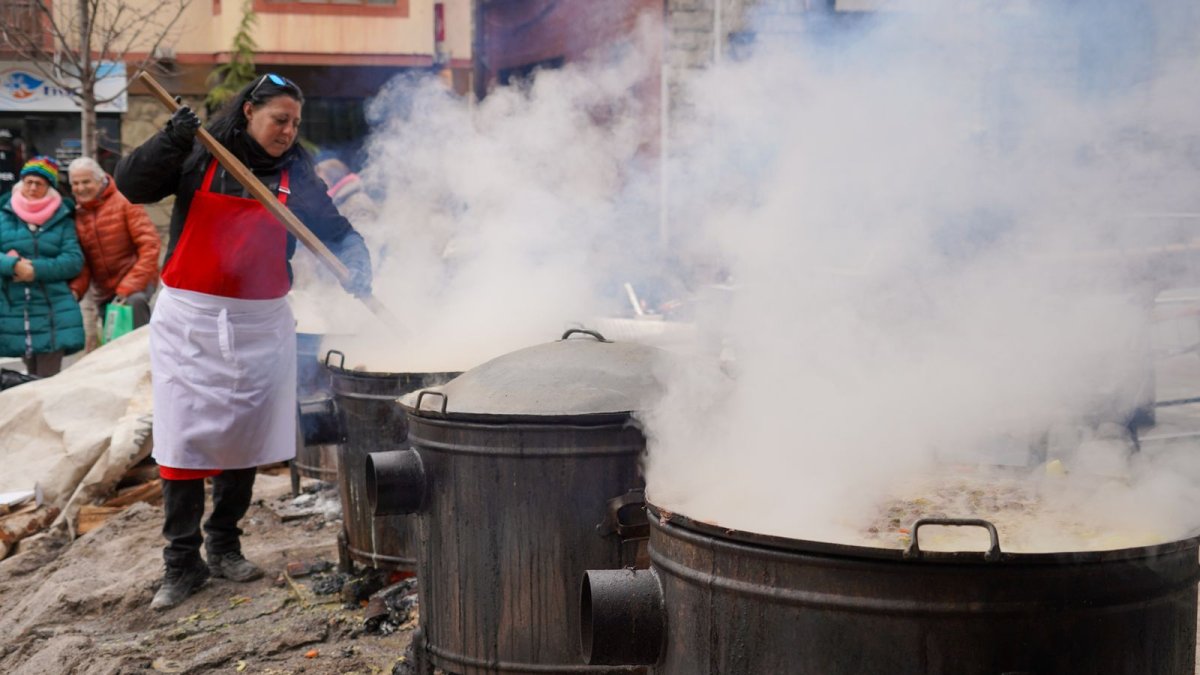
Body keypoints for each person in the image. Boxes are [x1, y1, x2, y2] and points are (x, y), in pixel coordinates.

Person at [116, 73, 373, 611]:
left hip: (260, 323)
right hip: (192, 320)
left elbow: (334, 227)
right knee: (183, 442)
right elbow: (133, 185)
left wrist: (357, 260)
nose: (288, 131)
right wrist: (170, 138)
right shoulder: (199, 153)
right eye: (279, 119)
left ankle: (225, 544)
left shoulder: (294, 173)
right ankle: (181, 561)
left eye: (295, 123)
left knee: (244, 438)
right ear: (250, 111)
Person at [0, 157, 85, 376]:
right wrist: (13, 265)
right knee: (25, 381)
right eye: (29, 181)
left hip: (52, 309)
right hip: (14, 309)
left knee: (48, 383)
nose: (33, 187)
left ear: (49, 187)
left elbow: (73, 260)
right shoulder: (4, 216)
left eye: (40, 183)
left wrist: (35, 270)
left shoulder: (62, 219)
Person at [67, 156, 161, 346]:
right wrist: (74, 291)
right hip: (105, 292)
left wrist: (129, 286)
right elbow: (84, 264)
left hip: (136, 285)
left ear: (100, 180)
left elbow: (150, 245)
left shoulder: (124, 200)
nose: (81, 188)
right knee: (112, 348)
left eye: (86, 181)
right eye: (75, 183)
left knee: (136, 340)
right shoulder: (78, 214)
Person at [313, 152, 378, 226]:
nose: (316, 186)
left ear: (333, 179)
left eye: (321, 180)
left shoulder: (357, 201)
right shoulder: (336, 204)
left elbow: (365, 233)